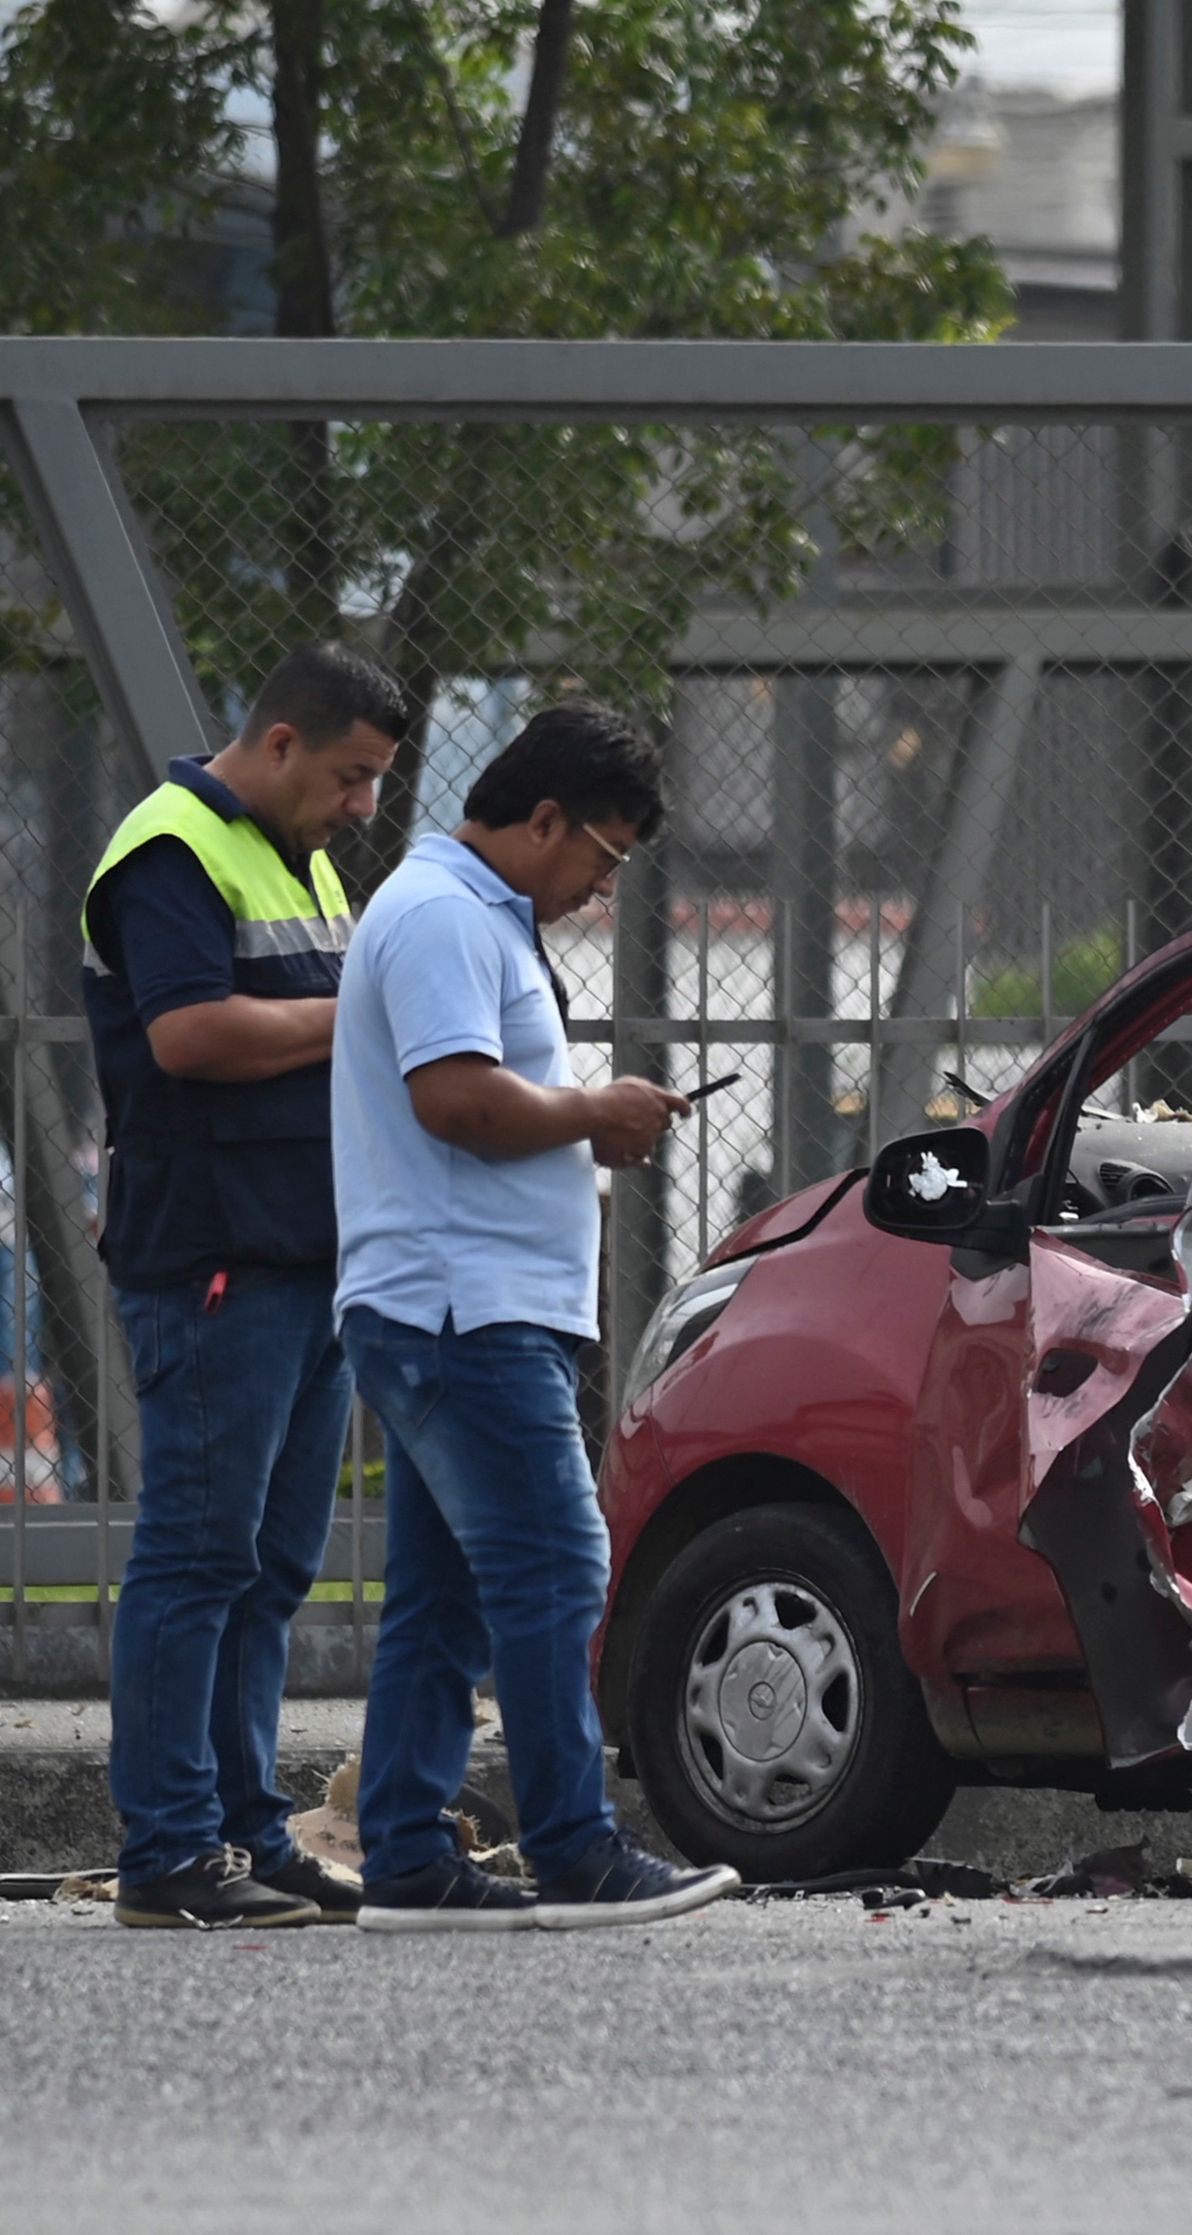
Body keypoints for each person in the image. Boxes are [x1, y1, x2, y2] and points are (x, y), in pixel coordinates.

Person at [333, 702, 733, 1931]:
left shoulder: (461, 911)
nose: (599, 890)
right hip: (467, 1314)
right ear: (543, 818)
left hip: (455, 1308)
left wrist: (583, 1118)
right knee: (560, 1567)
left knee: (447, 1598)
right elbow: (456, 1100)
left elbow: (483, 1104)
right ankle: (574, 1849)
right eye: (600, 860)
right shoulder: (448, 915)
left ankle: (403, 1854)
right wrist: (593, 1113)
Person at [85, 644, 410, 1930]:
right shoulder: (171, 847)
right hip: (216, 1259)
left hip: (298, 1256)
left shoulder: (300, 856)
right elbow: (190, 1034)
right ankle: (167, 1854)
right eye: (351, 777)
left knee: (269, 1565)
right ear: (281, 743)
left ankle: (240, 1832)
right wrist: (360, 1012)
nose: (362, 807)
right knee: (196, 1557)